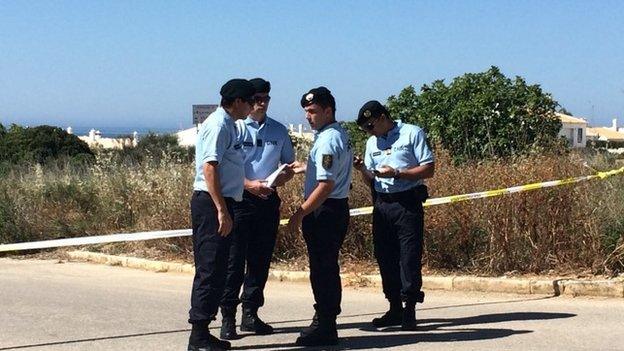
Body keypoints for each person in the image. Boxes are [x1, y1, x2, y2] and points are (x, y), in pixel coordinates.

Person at [219, 78, 296, 340]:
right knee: (234, 261)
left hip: (267, 201)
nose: (261, 103)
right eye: (257, 98)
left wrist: (281, 178)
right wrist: (250, 185)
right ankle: (227, 315)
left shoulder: (278, 130)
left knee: (260, 260)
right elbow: (221, 169)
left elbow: (289, 165)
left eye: (266, 98)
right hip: (240, 200)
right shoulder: (235, 128)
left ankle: (251, 313)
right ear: (248, 101)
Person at [352, 100, 435, 330]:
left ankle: (410, 308)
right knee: (385, 257)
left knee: (408, 257)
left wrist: (397, 173)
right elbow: (371, 180)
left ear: (381, 118)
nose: (369, 132)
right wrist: (362, 170)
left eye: (370, 126)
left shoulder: (411, 133)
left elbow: (429, 168)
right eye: (365, 129)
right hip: (382, 204)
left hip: (407, 202)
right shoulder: (372, 142)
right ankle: (394, 307)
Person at [187, 79, 255, 351]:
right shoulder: (218, 126)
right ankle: (199, 334)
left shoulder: (230, 125)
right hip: (211, 203)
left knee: (219, 269)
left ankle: (203, 330)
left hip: (222, 201)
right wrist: (221, 210)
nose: (252, 107)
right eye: (250, 101)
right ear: (238, 101)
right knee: (210, 268)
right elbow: (210, 168)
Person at [287, 86, 353, 346]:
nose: (308, 116)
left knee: (323, 270)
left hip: (325, 212)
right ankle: (326, 320)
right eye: (306, 111)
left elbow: (325, 186)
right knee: (325, 267)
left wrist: (299, 214)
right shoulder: (335, 134)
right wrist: (306, 167)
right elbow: (330, 169)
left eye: (313, 111)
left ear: (328, 110)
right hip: (334, 208)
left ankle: (325, 324)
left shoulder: (327, 140)